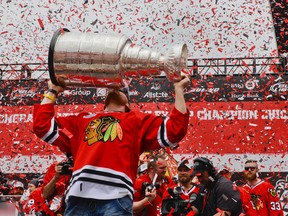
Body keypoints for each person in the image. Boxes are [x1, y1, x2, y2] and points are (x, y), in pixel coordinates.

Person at [33, 75, 190, 215]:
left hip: (116, 199)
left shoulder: (136, 120)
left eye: (120, 88)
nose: (115, 88)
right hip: (78, 198)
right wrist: (52, 91)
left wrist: (179, 89)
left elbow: (175, 130)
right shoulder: (82, 120)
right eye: (112, 87)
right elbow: (42, 126)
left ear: (128, 102)